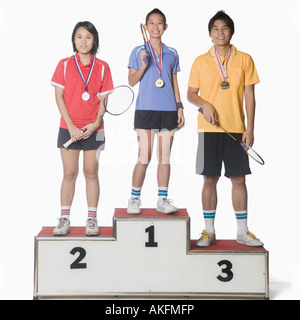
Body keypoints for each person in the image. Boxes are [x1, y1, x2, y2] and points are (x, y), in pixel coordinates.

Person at [187, 11, 263, 247]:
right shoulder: (200, 61)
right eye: (215, 29)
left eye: (224, 28)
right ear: (210, 34)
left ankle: (242, 230)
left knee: (238, 179)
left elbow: (250, 96)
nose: (220, 33)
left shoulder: (245, 59)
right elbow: (190, 94)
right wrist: (205, 104)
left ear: (231, 31)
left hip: (236, 130)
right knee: (209, 179)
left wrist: (250, 128)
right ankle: (209, 231)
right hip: (208, 130)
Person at [51, 21, 114, 236]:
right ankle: (64, 218)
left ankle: (92, 219)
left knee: (91, 172)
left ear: (94, 40)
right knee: (69, 173)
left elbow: (104, 100)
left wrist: (96, 123)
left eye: (88, 37)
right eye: (79, 37)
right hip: (68, 127)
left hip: (94, 128)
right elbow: (59, 97)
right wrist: (70, 125)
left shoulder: (103, 67)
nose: (83, 41)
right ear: (74, 40)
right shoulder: (65, 64)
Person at [127, 8, 185, 215]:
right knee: (144, 156)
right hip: (145, 110)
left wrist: (180, 107)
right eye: (151, 23)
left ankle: (162, 199)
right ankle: (134, 198)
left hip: (168, 110)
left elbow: (175, 82)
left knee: (165, 157)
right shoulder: (138, 51)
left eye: (159, 23)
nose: (155, 26)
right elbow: (131, 81)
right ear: (145, 27)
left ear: (165, 27)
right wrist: (143, 65)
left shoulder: (172, 53)